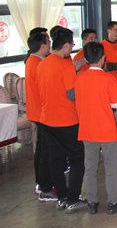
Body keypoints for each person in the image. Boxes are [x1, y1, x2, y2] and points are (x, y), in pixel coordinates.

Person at [74, 42, 117, 215]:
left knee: (90, 167)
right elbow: (116, 104)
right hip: (107, 130)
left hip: (87, 129)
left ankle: (92, 202)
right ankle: (112, 202)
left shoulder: (79, 78)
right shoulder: (109, 79)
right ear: (103, 58)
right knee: (111, 167)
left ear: (86, 59)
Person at [37, 27, 87, 213]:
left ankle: (62, 197)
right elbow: (71, 94)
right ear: (65, 45)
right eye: (72, 45)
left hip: (47, 120)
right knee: (77, 158)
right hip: (65, 120)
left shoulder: (43, 63)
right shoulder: (66, 66)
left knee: (55, 159)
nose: (72, 48)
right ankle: (73, 199)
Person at [25, 32, 55, 202]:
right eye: (48, 42)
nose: (50, 44)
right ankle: (45, 189)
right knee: (45, 151)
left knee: (41, 149)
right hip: (42, 112)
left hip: (38, 111)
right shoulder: (38, 64)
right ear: (42, 46)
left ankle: (41, 183)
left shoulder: (33, 60)